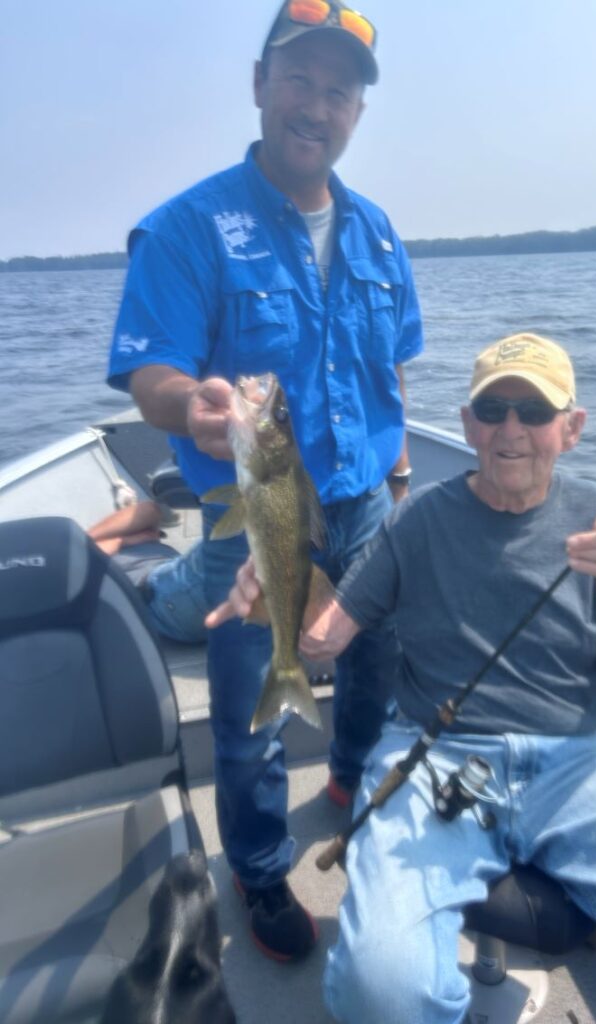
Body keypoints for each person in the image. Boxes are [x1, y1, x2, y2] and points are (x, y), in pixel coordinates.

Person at [211, 332, 596, 1023]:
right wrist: (271, 588)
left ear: (572, 428)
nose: (512, 429)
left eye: (534, 413)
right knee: (380, 990)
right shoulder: (417, 520)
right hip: (432, 752)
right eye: (494, 408)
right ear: (468, 424)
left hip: (580, 763)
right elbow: (323, 640)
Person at [106, 0, 423, 963]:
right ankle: (256, 863)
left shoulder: (377, 235)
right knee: (251, 708)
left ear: (357, 114)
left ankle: (350, 777)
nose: (316, 106)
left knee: (371, 662)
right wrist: (188, 408)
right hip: (251, 516)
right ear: (259, 86)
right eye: (299, 80)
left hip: (367, 500)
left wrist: (402, 480)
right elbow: (152, 371)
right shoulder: (187, 228)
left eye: (339, 90)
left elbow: (392, 373)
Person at [87, 501, 208, 645]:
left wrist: (88, 538)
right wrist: (125, 540)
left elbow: (149, 510)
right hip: (161, 595)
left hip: (175, 577)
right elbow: (82, 552)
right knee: (226, 546)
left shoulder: (94, 539)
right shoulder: (80, 557)